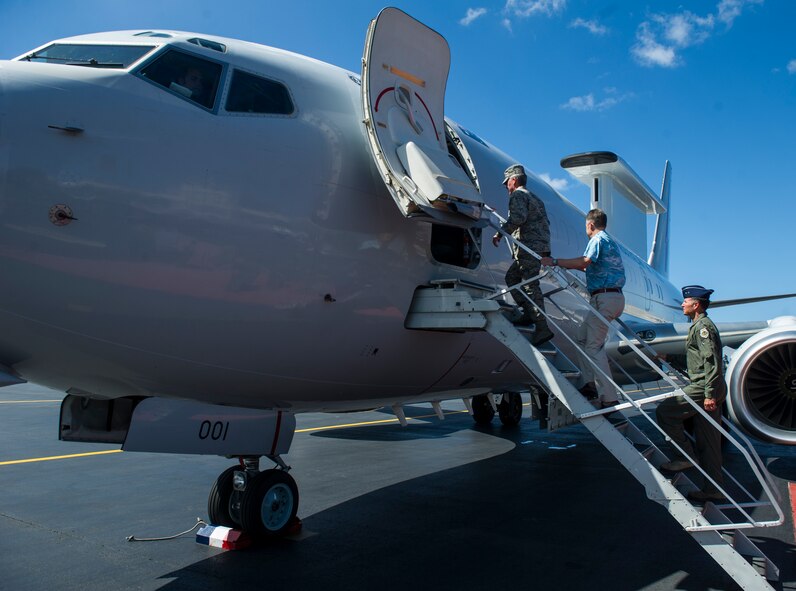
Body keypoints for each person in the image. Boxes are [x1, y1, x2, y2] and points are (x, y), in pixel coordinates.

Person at [540, 209, 625, 409]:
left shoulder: (597, 240)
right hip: (606, 297)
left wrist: (554, 262)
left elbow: (585, 262)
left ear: (590, 225)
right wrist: (566, 266)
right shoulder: (608, 241)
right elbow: (587, 266)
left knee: (593, 346)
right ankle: (589, 384)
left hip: (605, 298)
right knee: (581, 337)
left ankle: (609, 397)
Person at [655, 285, 726, 502]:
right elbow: (696, 359)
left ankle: (683, 456)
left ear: (695, 305)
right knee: (709, 443)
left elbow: (711, 361)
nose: (682, 304)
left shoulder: (703, 327)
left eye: (686, 302)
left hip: (704, 387)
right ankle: (714, 489)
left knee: (665, 412)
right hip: (709, 386)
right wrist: (669, 357)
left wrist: (709, 394)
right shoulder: (699, 326)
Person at [492, 164, 554, 346]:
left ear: (514, 180)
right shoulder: (534, 197)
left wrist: (500, 233)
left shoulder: (518, 195)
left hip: (529, 247)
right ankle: (529, 313)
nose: (506, 187)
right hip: (537, 247)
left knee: (529, 285)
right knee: (513, 278)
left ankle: (542, 326)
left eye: (506, 183)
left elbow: (518, 219)